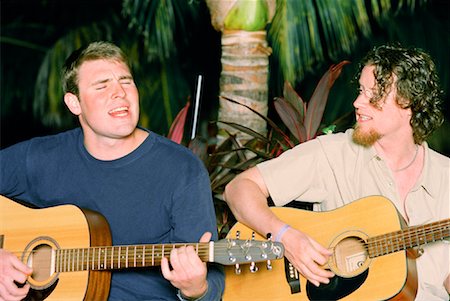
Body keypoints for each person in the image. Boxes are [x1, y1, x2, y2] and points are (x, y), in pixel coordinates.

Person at [0, 41, 224, 301]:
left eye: (126, 81)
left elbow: (213, 279)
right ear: (74, 103)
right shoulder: (39, 157)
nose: (119, 93)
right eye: (102, 85)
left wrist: (196, 289)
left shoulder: (183, 170)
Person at [224, 44, 449, 300]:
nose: (357, 102)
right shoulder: (333, 154)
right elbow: (239, 189)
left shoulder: (446, 177)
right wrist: (285, 236)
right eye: (361, 91)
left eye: (373, 95)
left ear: (408, 102)